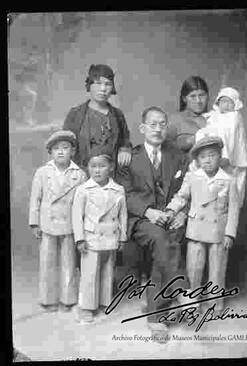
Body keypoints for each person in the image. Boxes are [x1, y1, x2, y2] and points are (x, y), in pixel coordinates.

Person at [117, 106, 189, 343]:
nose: (158, 129)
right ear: (142, 128)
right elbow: (124, 194)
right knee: (160, 237)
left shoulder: (177, 155)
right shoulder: (130, 158)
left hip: (171, 216)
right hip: (141, 220)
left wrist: (182, 214)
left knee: (170, 235)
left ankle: (159, 303)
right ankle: (165, 307)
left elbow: (186, 189)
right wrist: (148, 211)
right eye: (153, 124)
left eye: (162, 124)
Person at [165, 136, 240, 314]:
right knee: (194, 268)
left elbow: (234, 210)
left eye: (212, 155)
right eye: (203, 156)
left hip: (218, 232)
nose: (207, 160)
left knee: (217, 269)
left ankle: (215, 303)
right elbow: (181, 197)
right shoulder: (193, 177)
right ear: (197, 160)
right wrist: (170, 210)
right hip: (196, 230)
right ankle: (192, 303)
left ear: (220, 156)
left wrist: (229, 234)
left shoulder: (228, 180)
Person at [29, 130, 87, 312]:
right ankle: (48, 299)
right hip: (48, 223)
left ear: (73, 151)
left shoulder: (80, 174)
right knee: (48, 263)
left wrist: (81, 229)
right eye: (56, 149)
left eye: (65, 148)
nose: (61, 152)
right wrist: (34, 223)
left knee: (68, 263)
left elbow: (82, 205)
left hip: (69, 225)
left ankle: (67, 299)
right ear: (50, 152)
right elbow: (35, 199)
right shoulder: (42, 172)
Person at [72, 146, 127, 324]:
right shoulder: (83, 190)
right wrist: (79, 238)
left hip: (111, 236)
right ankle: (87, 307)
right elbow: (76, 216)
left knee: (107, 271)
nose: (97, 170)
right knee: (89, 273)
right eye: (93, 166)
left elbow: (123, 215)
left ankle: (104, 301)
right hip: (91, 238)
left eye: (102, 166)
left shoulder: (118, 189)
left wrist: (123, 237)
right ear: (87, 168)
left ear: (110, 167)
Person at [62, 64, 132, 173]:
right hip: (82, 176)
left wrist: (125, 150)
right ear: (90, 85)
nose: (103, 89)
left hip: (111, 175)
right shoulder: (75, 114)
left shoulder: (118, 115)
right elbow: (65, 146)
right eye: (98, 83)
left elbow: (125, 140)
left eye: (108, 84)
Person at [195, 87, 247, 207]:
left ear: (235, 104)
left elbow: (232, 136)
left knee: (233, 183)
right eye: (223, 101)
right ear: (218, 103)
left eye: (229, 102)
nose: (226, 105)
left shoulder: (235, 117)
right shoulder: (214, 116)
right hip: (214, 148)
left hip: (231, 155)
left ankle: (232, 203)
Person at [166, 75, 209, 153]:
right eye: (193, 96)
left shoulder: (214, 119)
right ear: (184, 99)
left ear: (207, 96)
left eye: (202, 95)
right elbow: (162, 149)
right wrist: (188, 142)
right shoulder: (175, 120)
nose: (198, 101)